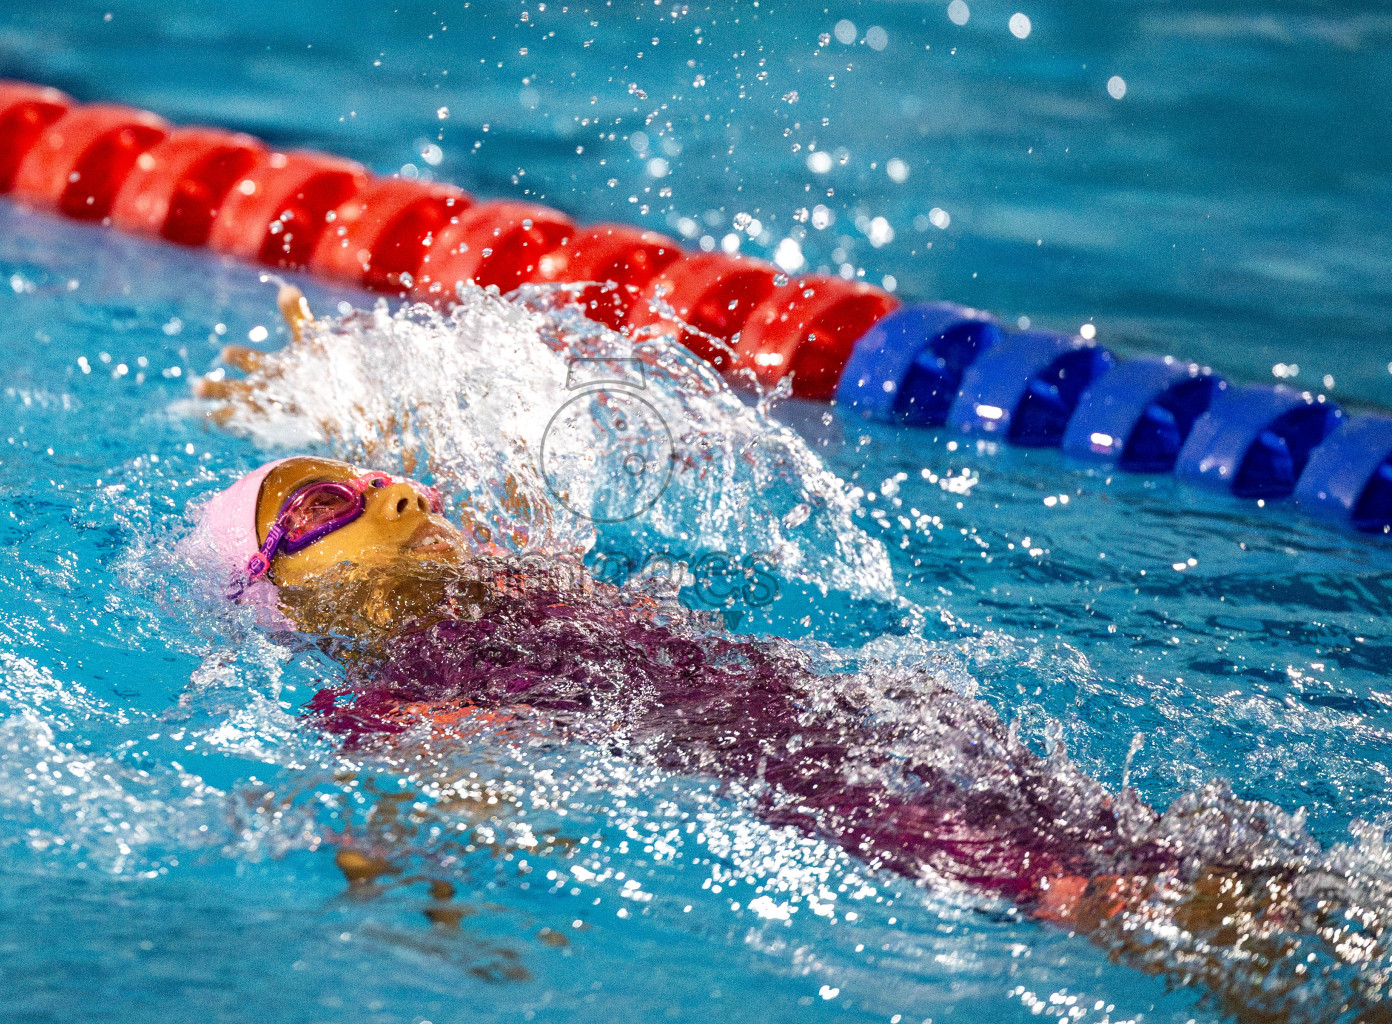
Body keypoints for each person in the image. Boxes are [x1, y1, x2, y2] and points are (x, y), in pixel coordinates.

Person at [187, 287, 1389, 1022]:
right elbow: (398, 822)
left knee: (1200, 852)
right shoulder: (393, 688)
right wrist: (437, 902)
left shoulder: (512, 557)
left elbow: (423, 428)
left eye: (358, 476)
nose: (376, 491)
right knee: (1093, 895)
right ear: (281, 599)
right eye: (315, 509)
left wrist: (310, 391)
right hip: (813, 784)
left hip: (883, 716)